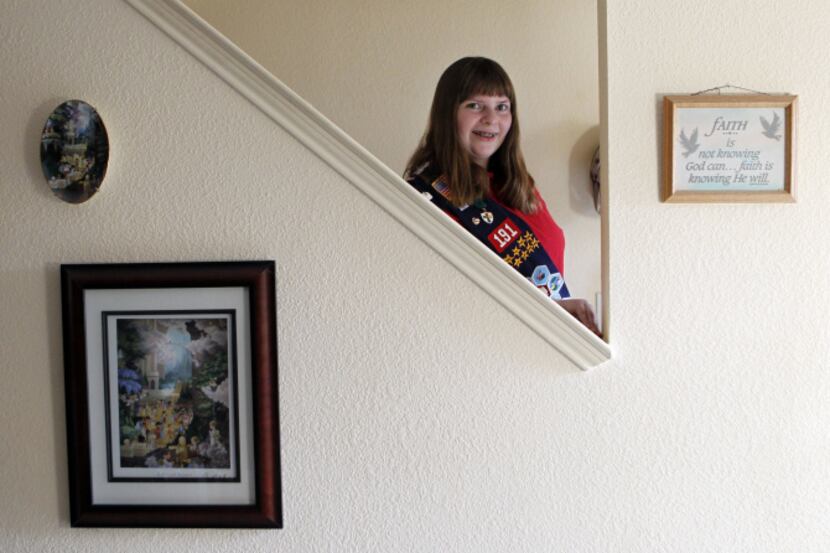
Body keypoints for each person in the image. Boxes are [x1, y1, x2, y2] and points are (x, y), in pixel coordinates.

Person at [405, 57, 600, 336]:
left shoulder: (521, 187)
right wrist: (551, 310)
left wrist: (560, 310)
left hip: (543, 347)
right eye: (475, 105)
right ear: (447, 114)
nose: (492, 119)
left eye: (502, 107)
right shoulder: (424, 197)